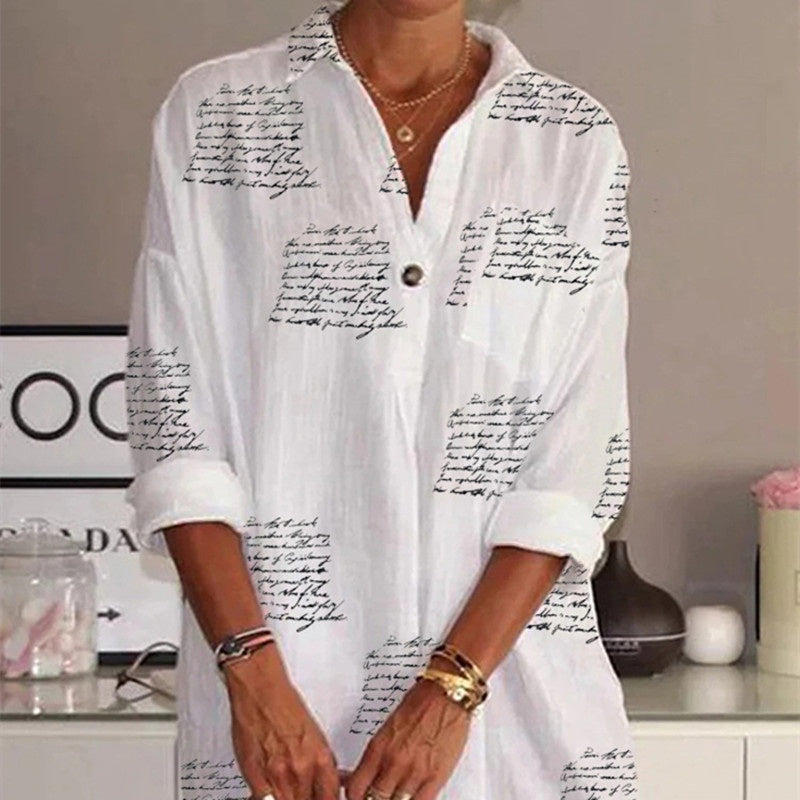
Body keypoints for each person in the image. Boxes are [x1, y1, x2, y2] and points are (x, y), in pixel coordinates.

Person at [123, 1, 639, 799]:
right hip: (278, 724)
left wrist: (449, 691)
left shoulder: (570, 139)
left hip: (513, 722)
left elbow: (571, 464)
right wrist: (254, 682)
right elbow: (176, 432)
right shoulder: (218, 114)